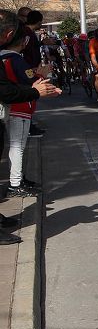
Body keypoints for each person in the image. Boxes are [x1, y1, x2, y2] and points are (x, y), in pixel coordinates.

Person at [1, 21, 41, 197]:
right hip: (21, 105)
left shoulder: (2, 56)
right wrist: (43, 75)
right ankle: (15, 184)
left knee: (14, 146)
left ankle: (17, 179)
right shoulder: (16, 59)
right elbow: (31, 81)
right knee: (18, 146)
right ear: (23, 41)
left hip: (10, 106)